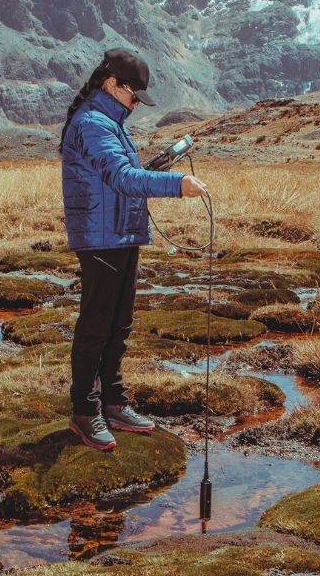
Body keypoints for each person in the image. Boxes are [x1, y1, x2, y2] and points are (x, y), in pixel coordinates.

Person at [58, 48, 208, 450]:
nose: (137, 103)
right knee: (96, 326)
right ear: (112, 84)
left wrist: (154, 171)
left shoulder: (110, 122)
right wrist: (175, 184)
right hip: (100, 237)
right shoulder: (92, 124)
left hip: (121, 233)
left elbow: (119, 178)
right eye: (134, 95)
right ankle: (85, 412)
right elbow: (122, 178)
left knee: (118, 325)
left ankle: (113, 403)